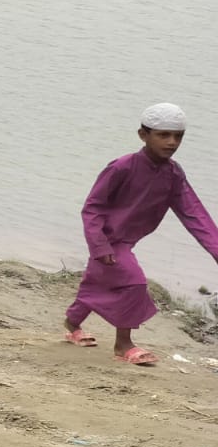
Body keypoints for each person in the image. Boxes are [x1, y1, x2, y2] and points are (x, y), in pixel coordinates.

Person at [63, 103, 218, 366]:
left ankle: (72, 323)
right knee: (134, 283)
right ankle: (123, 344)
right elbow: (92, 207)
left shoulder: (174, 173)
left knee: (98, 285)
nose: (171, 142)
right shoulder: (122, 166)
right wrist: (99, 245)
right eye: (163, 135)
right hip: (106, 238)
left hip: (127, 241)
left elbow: (194, 214)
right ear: (143, 135)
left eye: (178, 136)